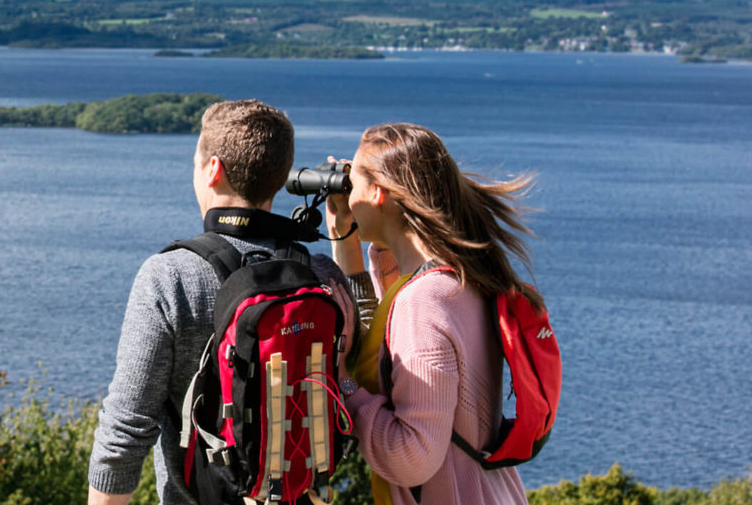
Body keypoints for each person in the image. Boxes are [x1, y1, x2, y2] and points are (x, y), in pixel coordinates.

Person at [87, 99, 369, 505]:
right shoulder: (321, 275)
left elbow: (125, 431)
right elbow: (365, 343)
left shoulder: (170, 277)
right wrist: (345, 229)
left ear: (213, 169)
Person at [326, 122, 539, 505]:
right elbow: (381, 349)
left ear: (377, 193)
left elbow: (412, 459)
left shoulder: (423, 303)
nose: (347, 193)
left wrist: (343, 385)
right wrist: (346, 239)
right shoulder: (460, 273)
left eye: (351, 182)